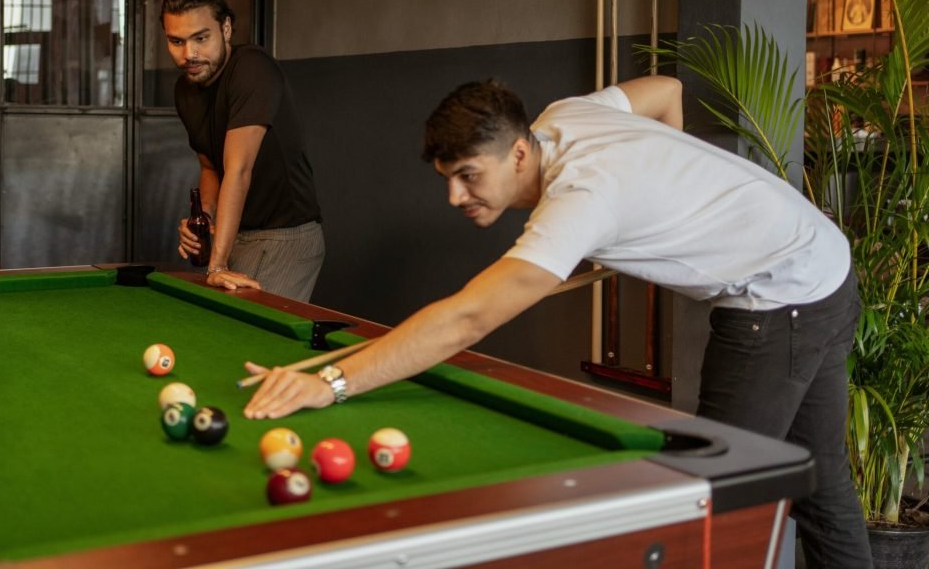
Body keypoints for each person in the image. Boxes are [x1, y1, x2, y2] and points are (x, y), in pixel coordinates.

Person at [242, 75, 869, 568]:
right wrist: (666, 191)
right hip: (826, 261)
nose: (455, 197)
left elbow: (465, 320)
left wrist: (332, 382)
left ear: (518, 152)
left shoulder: (579, 202)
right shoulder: (561, 119)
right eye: (447, 178)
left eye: (468, 176)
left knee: (713, 503)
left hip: (779, 298)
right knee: (825, 482)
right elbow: (665, 91)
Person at [164, 0, 324, 301]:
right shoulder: (185, 90)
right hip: (237, 233)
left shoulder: (252, 68)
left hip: (284, 235)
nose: (188, 54)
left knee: (245, 333)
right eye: (176, 41)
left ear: (225, 29)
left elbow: (238, 170)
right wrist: (204, 219)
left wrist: (216, 264)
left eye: (200, 38)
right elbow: (210, 167)